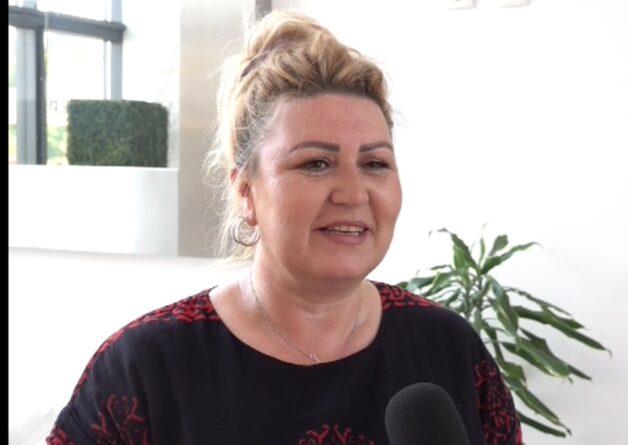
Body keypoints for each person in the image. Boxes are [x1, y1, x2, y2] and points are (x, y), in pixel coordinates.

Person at [46, 10, 522, 445]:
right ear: (245, 191)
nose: (353, 193)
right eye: (316, 163)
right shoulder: (144, 368)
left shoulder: (450, 349)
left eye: (375, 163)